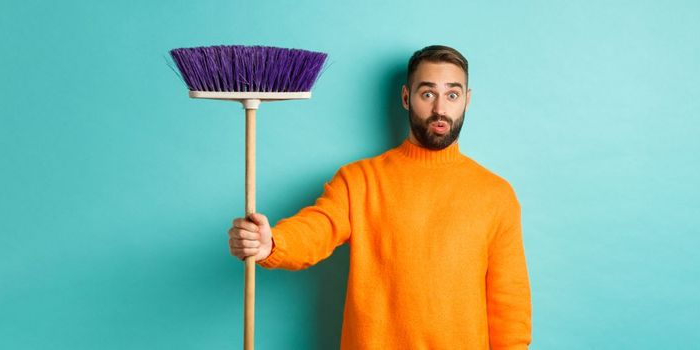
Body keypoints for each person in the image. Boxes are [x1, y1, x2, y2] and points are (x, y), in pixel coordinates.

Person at [227, 45, 531, 349]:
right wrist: (272, 243)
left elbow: (509, 302)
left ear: (466, 100)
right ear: (405, 98)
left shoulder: (496, 194)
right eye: (427, 94)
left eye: (452, 94)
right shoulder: (359, 181)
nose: (440, 108)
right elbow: (317, 228)